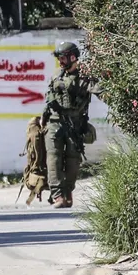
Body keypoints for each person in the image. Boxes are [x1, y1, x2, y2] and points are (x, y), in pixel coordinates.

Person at [42, 40, 97, 209]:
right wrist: (43, 116)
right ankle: (58, 195)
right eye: (59, 58)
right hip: (55, 122)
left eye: (63, 58)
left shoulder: (86, 77)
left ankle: (67, 192)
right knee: (53, 157)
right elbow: (48, 97)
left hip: (75, 124)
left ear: (73, 57)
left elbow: (101, 91)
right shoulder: (56, 75)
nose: (61, 61)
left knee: (73, 160)